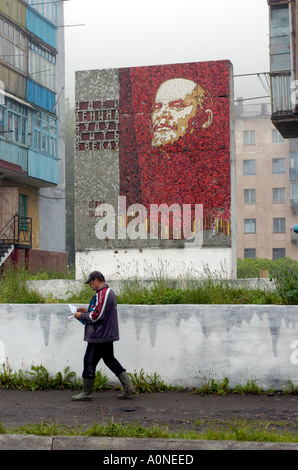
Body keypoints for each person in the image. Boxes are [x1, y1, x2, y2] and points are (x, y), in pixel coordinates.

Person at [72, 270, 135, 401]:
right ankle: (128, 386)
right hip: (106, 334)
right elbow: (99, 311)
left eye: (90, 283)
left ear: (95, 280)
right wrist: (87, 310)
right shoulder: (108, 293)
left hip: (99, 335)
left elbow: (97, 316)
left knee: (88, 361)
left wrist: (81, 315)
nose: (90, 286)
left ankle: (87, 392)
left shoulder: (102, 294)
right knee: (109, 359)